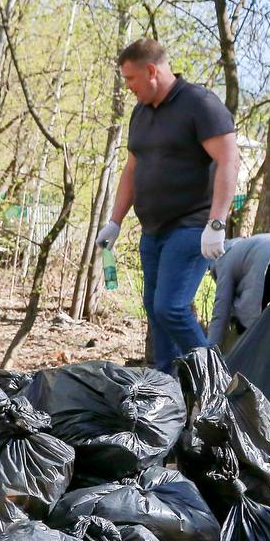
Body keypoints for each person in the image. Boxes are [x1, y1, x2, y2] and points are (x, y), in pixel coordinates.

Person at [94, 38, 239, 374]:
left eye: (131, 79)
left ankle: (217, 383)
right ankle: (166, 388)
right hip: (153, 230)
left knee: (171, 308)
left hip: (192, 226)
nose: (127, 87)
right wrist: (114, 222)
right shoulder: (140, 113)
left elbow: (229, 160)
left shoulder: (199, 104)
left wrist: (217, 223)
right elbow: (132, 169)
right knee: (154, 309)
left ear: (151, 70)